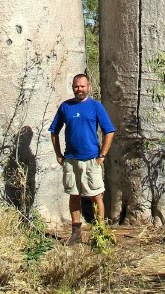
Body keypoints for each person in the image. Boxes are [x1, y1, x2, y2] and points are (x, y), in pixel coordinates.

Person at [49, 73, 115, 245]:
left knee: (96, 196)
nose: (79, 89)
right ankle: (76, 231)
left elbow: (109, 131)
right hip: (71, 159)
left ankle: (100, 234)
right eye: (76, 86)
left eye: (82, 86)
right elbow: (54, 131)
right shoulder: (66, 107)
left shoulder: (95, 106)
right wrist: (58, 154)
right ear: (72, 87)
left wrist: (102, 155)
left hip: (91, 159)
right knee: (74, 195)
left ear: (88, 87)